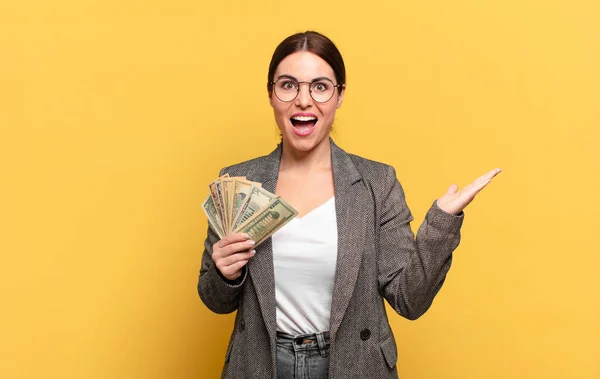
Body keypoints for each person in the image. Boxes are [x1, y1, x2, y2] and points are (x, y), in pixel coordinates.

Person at [198, 30, 501, 379]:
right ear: (271, 94)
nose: (303, 100)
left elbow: (409, 299)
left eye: (320, 86)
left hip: (353, 364)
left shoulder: (377, 183)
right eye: (288, 85)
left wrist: (443, 221)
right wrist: (224, 273)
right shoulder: (239, 182)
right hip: (262, 365)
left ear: (340, 95)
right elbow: (215, 300)